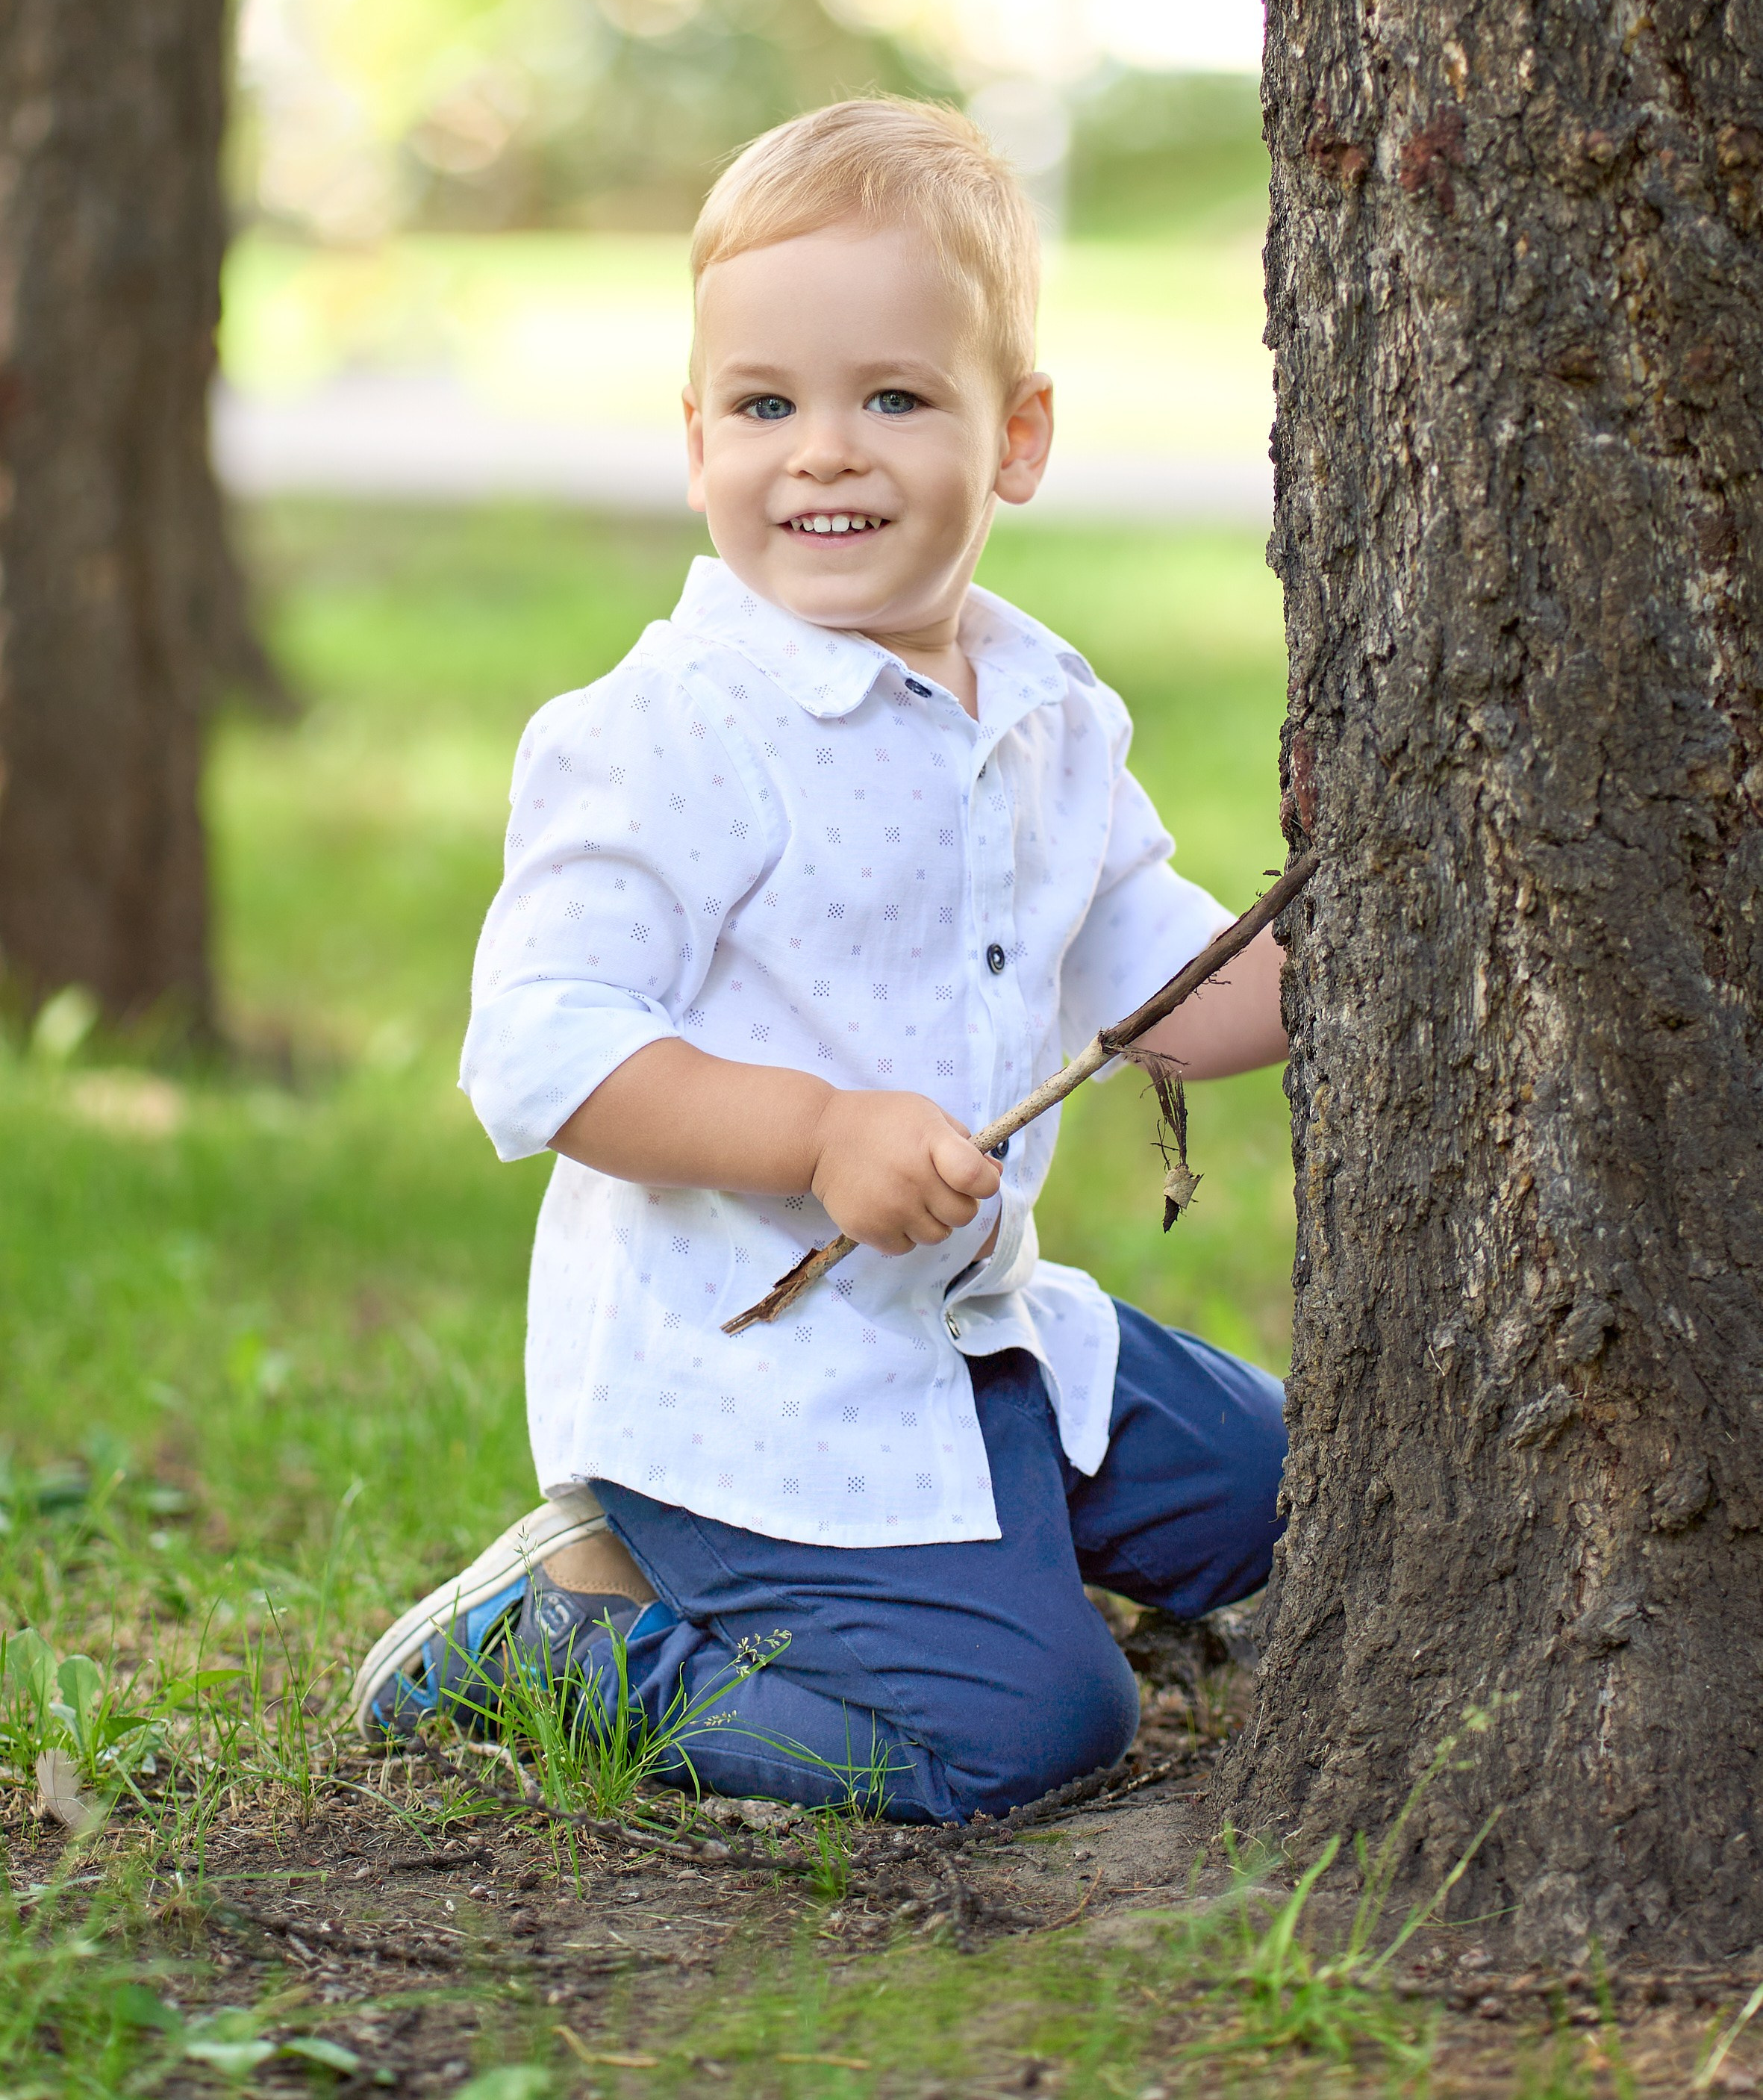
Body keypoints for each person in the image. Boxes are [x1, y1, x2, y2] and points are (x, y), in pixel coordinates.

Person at [351, 97, 1290, 1822]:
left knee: (1292, 1484)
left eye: (894, 399)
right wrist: (815, 1129)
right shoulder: (670, 730)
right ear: (694, 433)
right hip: (751, 1396)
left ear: (1015, 436)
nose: (825, 453)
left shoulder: (1047, 709)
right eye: (766, 404)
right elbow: (542, 1042)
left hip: (973, 1326)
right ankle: (557, 1643)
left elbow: (1160, 981)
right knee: (1025, 1731)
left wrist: (1346, 955)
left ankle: (993, 1571)